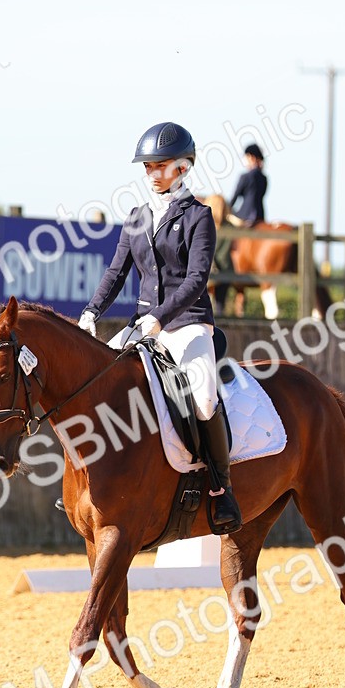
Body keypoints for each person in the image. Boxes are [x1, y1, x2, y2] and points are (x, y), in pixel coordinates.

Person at [78, 121, 242, 533]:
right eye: (147, 166)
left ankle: (221, 489)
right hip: (144, 324)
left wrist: (160, 317)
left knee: (204, 398)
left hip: (186, 323)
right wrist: (91, 312)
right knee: (98, 381)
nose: (152, 173)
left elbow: (196, 279)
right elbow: (116, 273)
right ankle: (88, 481)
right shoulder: (137, 217)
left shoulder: (199, 216)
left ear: (183, 167)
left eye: (159, 165)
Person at [212, 143, 268, 304]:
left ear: (251, 157)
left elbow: (234, 199)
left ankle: (220, 263)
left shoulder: (245, 177)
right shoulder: (264, 178)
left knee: (224, 231)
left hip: (243, 216)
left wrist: (228, 213)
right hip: (260, 217)